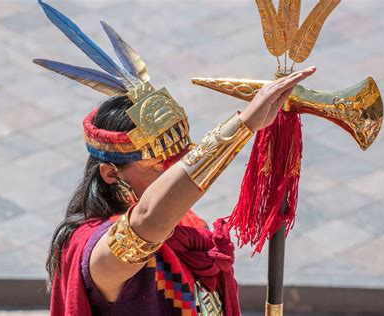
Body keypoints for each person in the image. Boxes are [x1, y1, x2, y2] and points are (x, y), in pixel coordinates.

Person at [34, 1, 316, 315]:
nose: (173, 171)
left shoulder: (188, 229)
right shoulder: (96, 251)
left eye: (179, 159)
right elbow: (148, 219)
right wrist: (243, 126)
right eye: (159, 164)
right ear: (110, 174)